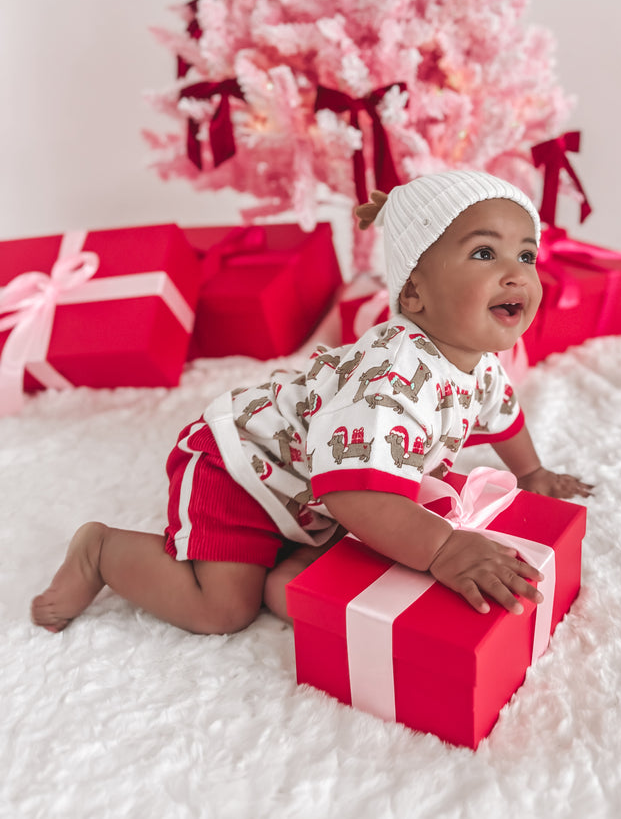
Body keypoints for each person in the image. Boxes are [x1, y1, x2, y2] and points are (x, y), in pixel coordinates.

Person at [31, 170, 592, 636]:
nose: (516, 273)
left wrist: (533, 472)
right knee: (223, 610)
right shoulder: (389, 381)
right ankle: (101, 550)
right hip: (241, 468)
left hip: (311, 487)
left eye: (526, 254)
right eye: (486, 253)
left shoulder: (478, 362)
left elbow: (502, 415)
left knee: (321, 578)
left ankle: (284, 557)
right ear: (414, 293)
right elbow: (352, 493)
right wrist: (444, 549)